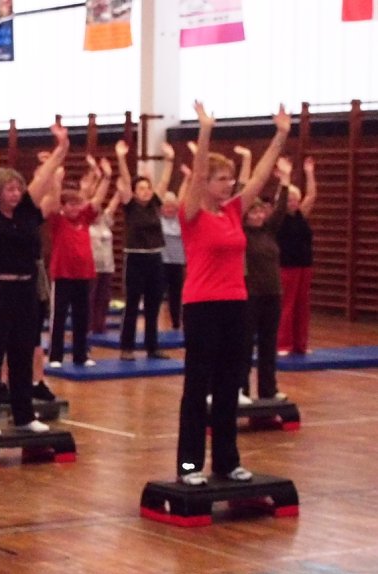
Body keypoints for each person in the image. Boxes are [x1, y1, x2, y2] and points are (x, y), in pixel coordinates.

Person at [176, 101, 290, 486]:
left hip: (235, 305)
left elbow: (258, 178)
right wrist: (205, 130)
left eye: (229, 180)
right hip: (202, 306)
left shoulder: (231, 212)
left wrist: (281, 135)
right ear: (206, 183)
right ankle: (190, 467)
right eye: (221, 180)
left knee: (228, 387)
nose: (229, 185)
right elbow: (197, 175)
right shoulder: (192, 214)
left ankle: (226, 462)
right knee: (197, 389)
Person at [0, 119, 68, 436]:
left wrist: (62, 149)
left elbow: (42, 179)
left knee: (22, 354)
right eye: (9, 189)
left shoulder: (27, 210)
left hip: (25, 290)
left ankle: (24, 414)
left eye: (18, 188)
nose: (15, 193)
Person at [47, 155, 111, 367]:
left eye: (77, 204)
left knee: (82, 318)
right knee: (59, 317)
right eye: (70, 205)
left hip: (84, 276)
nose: (75, 208)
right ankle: (55, 356)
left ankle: (80, 354)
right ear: (64, 207)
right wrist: (57, 180)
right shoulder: (58, 221)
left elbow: (97, 200)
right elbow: (54, 202)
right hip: (63, 276)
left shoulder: (85, 219)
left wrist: (107, 178)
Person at [114, 140, 175, 360]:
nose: (146, 191)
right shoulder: (130, 206)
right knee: (132, 304)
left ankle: (152, 346)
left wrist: (169, 159)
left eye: (148, 188)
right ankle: (127, 347)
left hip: (155, 258)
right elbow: (125, 178)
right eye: (141, 188)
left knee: (153, 304)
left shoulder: (154, 204)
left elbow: (165, 181)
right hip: (136, 259)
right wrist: (121, 157)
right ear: (134, 191)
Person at [240, 186, 287, 404]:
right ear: (246, 215)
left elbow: (280, 210)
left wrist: (284, 183)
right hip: (251, 296)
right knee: (245, 344)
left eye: (261, 212)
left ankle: (268, 388)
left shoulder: (269, 231)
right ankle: (241, 388)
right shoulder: (241, 234)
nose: (259, 216)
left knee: (269, 344)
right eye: (253, 212)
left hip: (273, 294)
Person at [276, 156, 317, 355]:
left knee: (302, 305)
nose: (293, 203)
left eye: (295, 200)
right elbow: (282, 197)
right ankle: (284, 343)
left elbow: (312, 195)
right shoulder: (279, 218)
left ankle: (301, 344)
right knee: (288, 305)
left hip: (304, 265)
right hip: (286, 266)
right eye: (289, 200)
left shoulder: (301, 214)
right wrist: (286, 176)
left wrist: (309, 173)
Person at [89, 183, 120, 335]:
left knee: (104, 297)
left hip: (107, 266)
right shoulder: (86, 224)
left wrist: (120, 190)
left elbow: (113, 205)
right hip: (92, 267)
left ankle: (100, 325)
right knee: (91, 297)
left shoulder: (105, 222)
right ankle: (89, 325)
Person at [160, 191, 185, 329]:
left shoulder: (180, 219)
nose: (169, 210)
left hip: (177, 262)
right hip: (162, 262)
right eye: (166, 207)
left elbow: (182, 201)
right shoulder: (158, 219)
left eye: (172, 207)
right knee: (158, 293)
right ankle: (153, 323)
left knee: (176, 294)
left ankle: (176, 323)